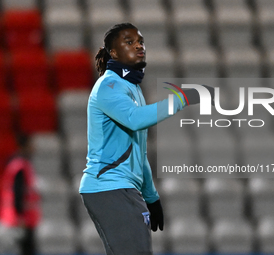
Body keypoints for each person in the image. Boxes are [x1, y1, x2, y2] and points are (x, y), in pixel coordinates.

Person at [79, 23, 190, 255]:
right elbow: (134, 119)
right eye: (129, 42)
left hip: (121, 188)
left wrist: (151, 196)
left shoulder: (130, 87)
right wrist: (179, 99)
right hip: (110, 187)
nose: (139, 46)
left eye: (140, 41)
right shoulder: (109, 86)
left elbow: (138, 152)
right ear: (114, 53)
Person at [0, 134, 40, 255]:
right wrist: (20, 216)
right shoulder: (19, 166)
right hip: (18, 220)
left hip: (20, 219)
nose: (34, 147)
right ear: (24, 146)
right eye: (31, 145)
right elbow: (17, 192)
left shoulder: (19, 164)